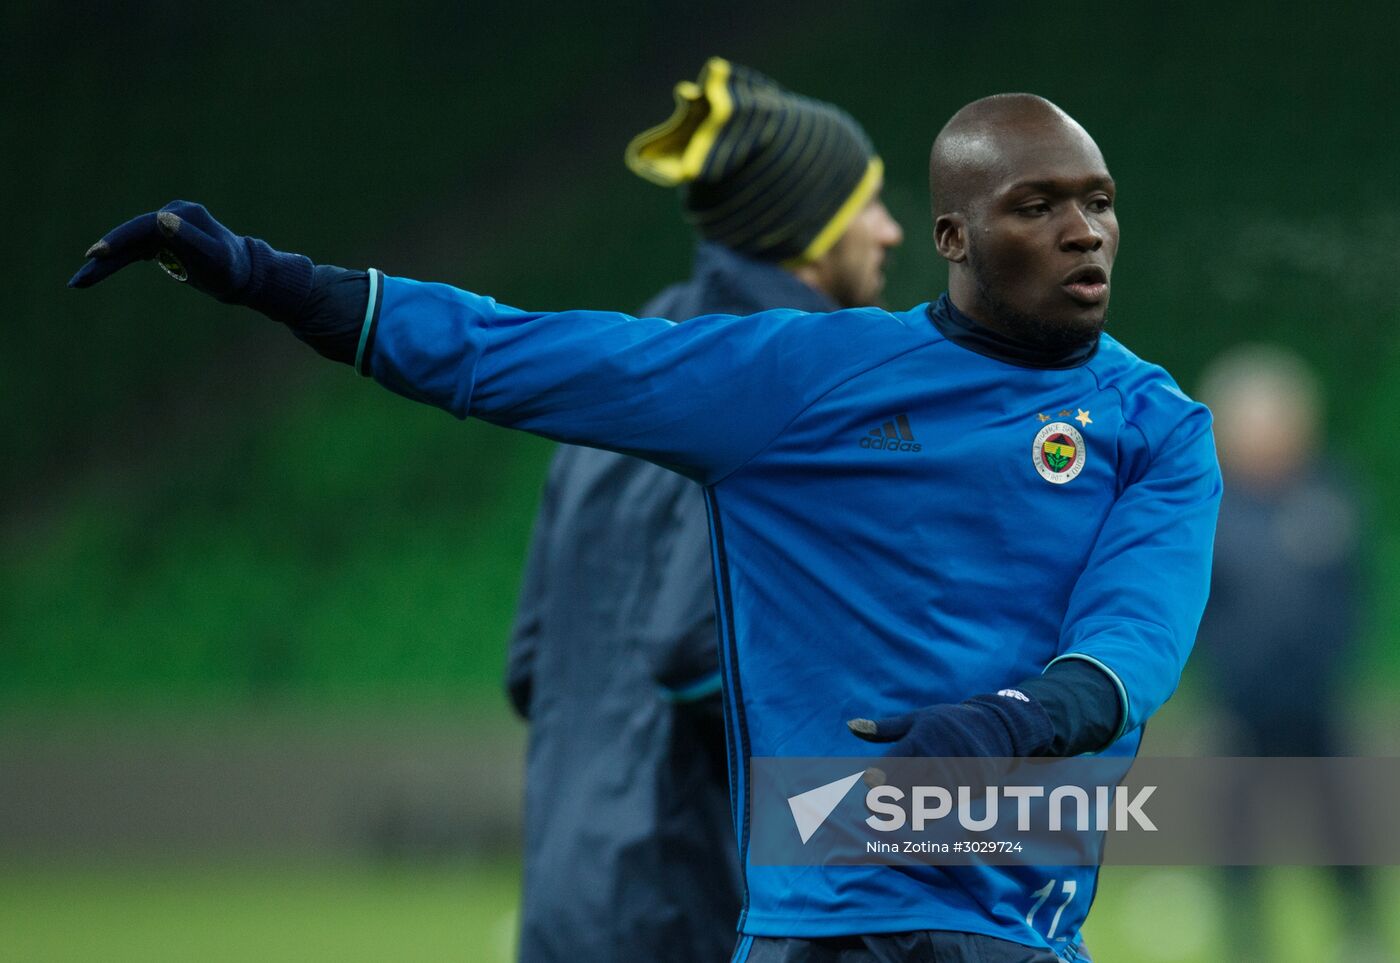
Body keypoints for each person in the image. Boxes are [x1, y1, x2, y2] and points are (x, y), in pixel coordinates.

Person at [68, 91, 1221, 962]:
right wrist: (272, 282)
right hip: (813, 918)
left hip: (1008, 921)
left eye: (1098, 202)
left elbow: (1132, 638)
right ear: (954, 238)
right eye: (1038, 205)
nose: (1083, 231)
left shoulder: (1155, 426)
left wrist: (1006, 722)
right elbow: (514, 354)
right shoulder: (805, 377)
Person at [504, 58, 902, 962]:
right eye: (867, 203)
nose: (890, 230)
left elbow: (530, 667)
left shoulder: (627, 364)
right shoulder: (796, 386)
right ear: (810, 228)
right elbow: (692, 652)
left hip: (566, 903)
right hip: (695, 909)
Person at [1195, 345, 1380, 959]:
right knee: (1238, 833)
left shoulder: (1327, 495)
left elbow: (1354, 588)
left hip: (1318, 701)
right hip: (1241, 705)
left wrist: (1334, 658)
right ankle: (1245, 940)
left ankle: (1360, 930)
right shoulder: (1208, 507)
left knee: (1340, 823)